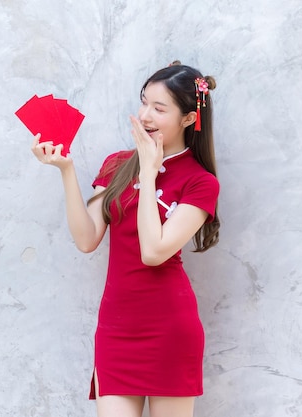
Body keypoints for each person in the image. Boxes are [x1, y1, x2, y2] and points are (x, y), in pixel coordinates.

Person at [30, 61, 220, 417]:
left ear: (188, 120)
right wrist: (66, 170)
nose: (144, 115)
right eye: (143, 102)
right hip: (117, 329)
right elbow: (87, 240)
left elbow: (153, 252)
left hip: (170, 331)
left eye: (159, 108)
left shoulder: (200, 182)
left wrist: (149, 173)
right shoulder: (117, 164)